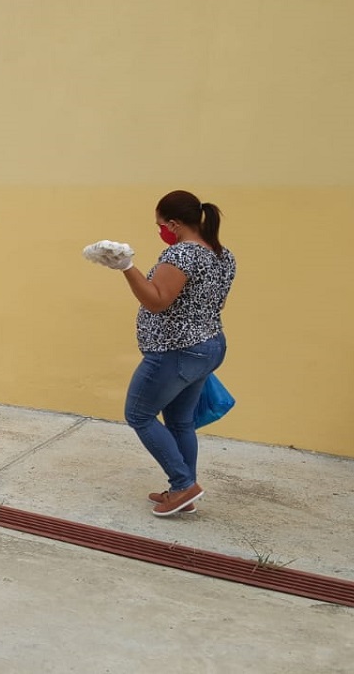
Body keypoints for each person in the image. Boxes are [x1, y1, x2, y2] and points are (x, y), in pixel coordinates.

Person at [91, 190, 236, 517]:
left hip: (176, 351)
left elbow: (157, 300)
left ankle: (183, 484)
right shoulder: (222, 255)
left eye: (161, 225)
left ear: (174, 223)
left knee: (139, 414)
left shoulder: (182, 255)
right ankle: (183, 492)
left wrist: (126, 267)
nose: (161, 231)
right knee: (180, 421)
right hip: (209, 345)